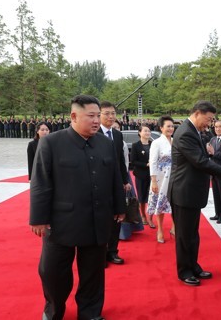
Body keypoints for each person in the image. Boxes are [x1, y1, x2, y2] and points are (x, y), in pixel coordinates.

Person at [29, 95, 125, 320]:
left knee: (93, 272)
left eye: (97, 115)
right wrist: (38, 218)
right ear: (73, 116)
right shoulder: (51, 143)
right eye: (90, 116)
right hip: (61, 222)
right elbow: (40, 183)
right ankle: (53, 310)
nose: (95, 120)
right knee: (53, 273)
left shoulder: (106, 143)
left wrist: (120, 207)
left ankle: (90, 312)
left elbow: (115, 177)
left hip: (97, 219)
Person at [167, 101, 221, 286]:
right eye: (208, 119)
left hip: (191, 191)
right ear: (198, 113)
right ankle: (185, 271)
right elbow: (200, 161)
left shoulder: (194, 131)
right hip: (183, 191)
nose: (209, 124)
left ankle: (193, 266)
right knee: (184, 235)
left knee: (192, 234)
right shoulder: (185, 133)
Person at [99, 101, 130, 266]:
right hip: (98, 185)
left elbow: (120, 162)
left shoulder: (117, 135)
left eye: (113, 113)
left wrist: (125, 180)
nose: (111, 117)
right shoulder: (93, 132)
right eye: (106, 113)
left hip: (116, 184)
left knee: (117, 218)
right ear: (99, 115)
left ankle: (113, 251)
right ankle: (100, 253)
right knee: (101, 219)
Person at [148, 116, 175, 243]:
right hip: (160, 177)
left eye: (172, 126)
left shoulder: (176, 141)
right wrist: (153, 180)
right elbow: (152, 162)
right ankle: (160, 229)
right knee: (160, 202)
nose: (171, 128)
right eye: (168, 126)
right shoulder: (156, 142)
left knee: (175, 202)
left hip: (175, 176)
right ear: (161, 128)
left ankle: (174, 227)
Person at [206, 119, 221, 223]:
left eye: (220, 126)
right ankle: (218, 213)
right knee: (216, 194)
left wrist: (213, 152)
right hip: (213, 171)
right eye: (216, 127)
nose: (218, 129)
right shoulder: (213, 139)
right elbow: (209, 154)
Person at [130, 125, 154, 227]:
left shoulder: (153, 144)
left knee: (153, 197)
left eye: (149, 131)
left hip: (153, 175)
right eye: (145, 131)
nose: (147, 133)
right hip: (141, 175)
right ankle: (143, 216)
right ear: (139, 132)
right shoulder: (135, 145)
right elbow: (133, 161)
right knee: (142, 196)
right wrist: (146, 164)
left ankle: (150, 218)